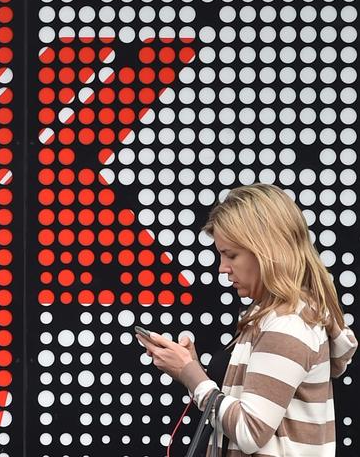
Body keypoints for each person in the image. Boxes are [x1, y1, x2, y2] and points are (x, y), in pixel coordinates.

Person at [137, 183, 358, 456]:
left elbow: (249, 432)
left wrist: (191, 375)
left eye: (231, 255)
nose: (223, 268)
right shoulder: (274, 317)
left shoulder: (287, 325)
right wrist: (191, 368)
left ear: (268, 250)